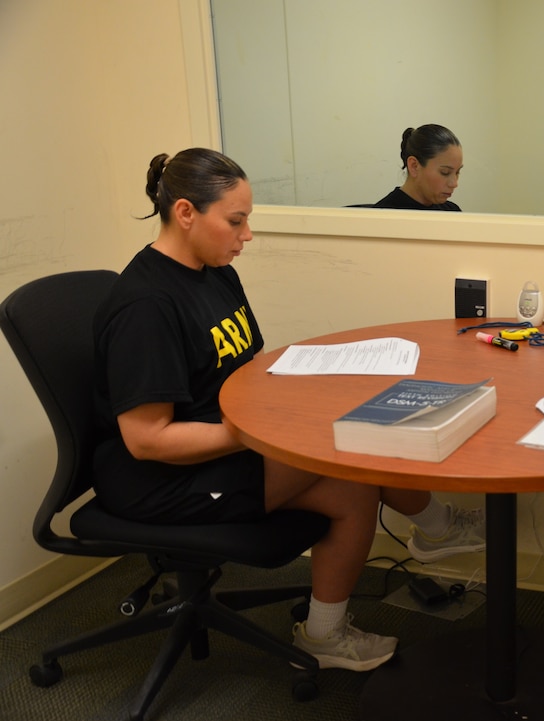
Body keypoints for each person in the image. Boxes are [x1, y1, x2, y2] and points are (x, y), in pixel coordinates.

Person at [92, 148, 485, 673]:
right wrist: (261, 432)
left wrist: (304, 392)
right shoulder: (146, 305)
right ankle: (436, 528)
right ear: (185, 213)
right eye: (236, 221)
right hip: (163, 477)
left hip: (223, 441)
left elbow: (243, 365)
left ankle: (326, 630)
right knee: (353, 447)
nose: (247, 235)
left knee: (352, 479)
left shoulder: (212, 271)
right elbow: (148, 440)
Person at [373, 124, 463, 210]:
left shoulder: (452, 213)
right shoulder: (382, 216)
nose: (454, 184)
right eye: (445, 172)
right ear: (414, 166)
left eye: (457, 172)